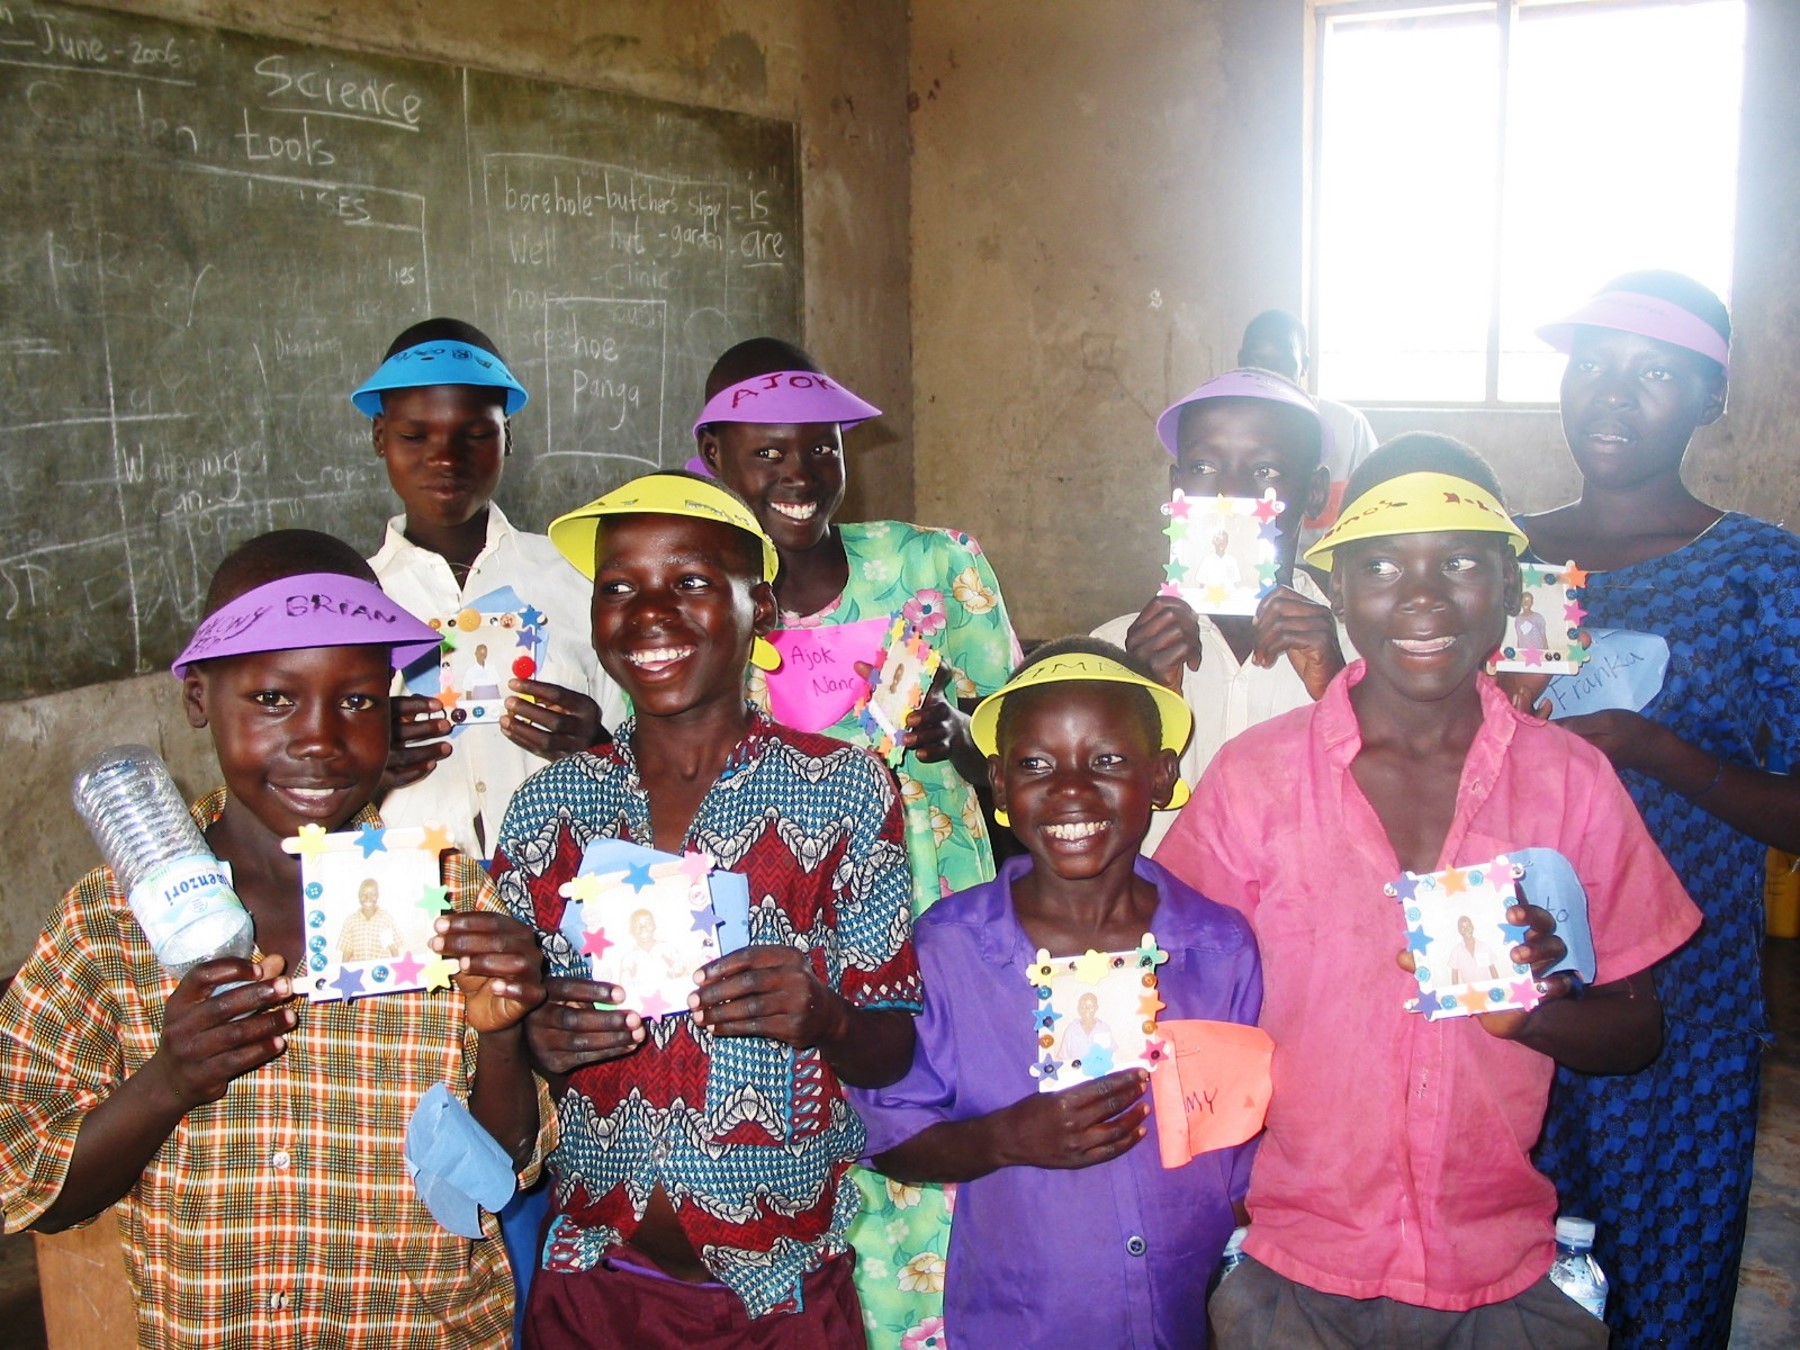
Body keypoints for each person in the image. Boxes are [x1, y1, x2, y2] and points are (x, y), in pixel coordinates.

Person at [1158, 436, 1703, 1346]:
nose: (1420, 596)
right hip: (1292, 1268)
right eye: (1380, 564)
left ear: (1508, 586)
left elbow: (1636, 1032)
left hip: (1497, 1273)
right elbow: (1172, 991)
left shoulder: (1569, 782)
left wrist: (1532, 1013)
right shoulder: (1256, 779)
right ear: (1338, 591)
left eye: (1458, 562)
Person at [0, 530, 553, 1349]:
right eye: (272, 700)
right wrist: (169, 1081)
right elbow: (28, 1184)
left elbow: (507, 1166)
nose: (321, 741)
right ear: (199, 700)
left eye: (359, 700)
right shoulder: (112, 920)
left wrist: (501, 1036)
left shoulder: (447, 894)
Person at [490, 473, 921, 1348]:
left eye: (690, 582)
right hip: (593, 1289)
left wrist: (828, 1018)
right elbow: (504, 1050)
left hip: (780, 1297)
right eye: (619, 587)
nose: (650, 613)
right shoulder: (548, 810)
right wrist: (538, 1038)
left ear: (757, 605)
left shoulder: (842, 790)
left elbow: (892, 1048)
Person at [694, 336, 1018, 1343]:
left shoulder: (933, 565)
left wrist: (964, 744)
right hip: (778, 944)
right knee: (805, 1168)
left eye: (820, 447)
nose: (798, 474)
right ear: (716, 459)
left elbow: (1023, 752)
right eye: (767, 454)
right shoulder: (699, 596)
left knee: (939, 1155)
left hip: (932, 923)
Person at [1519, 271, 1800, 1348]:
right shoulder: (1505, 553)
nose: (1612, 398)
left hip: (1687, 1005)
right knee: (1493, 1283)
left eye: (1653, 376)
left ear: (1709, 401)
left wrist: (1648, 748)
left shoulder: (1759, 574)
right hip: (1507, 980)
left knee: (1661, 1297)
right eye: (1592, 367)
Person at [851, 638, 1260, 1347]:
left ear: (1161, 777)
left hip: (1182, 1318)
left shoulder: (1220, 947)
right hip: (1020, 1324)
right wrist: (1005, 1138)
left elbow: (1244, 1144)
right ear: (1000, 785)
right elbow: (887, 1135)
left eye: (1107, 760)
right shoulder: (948, 949)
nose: (1071, 789)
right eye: (1037, 765)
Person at [356, 317, 628, 861]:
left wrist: (600, 747)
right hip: (412, 905)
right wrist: (364, 768)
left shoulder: (577, 578)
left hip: (569, 889)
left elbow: (655, 755)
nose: (446, 458)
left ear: (508, 436)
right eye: (415, 435)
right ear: (380, 437)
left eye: (476, 435)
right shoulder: (357, 599)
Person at [1093, 367, 1347, 852]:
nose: (1230, 495)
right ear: (1177, 487)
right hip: (1158, 923)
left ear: (1315, 492)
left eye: (1265, 470)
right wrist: (1137, 702)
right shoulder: (1110, 651)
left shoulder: (1360, 656)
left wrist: (1339, 692)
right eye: (1204, 468)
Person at [1237, 308, 1379, 549]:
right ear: (1241, 362)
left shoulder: (1347, 426)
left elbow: (1376, 513)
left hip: (1329, 576)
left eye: (1283, 364)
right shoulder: (1220, 432)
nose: (1270, 376)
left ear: (1304, 365)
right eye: (1258, 362)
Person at [337, 876, 403, 961]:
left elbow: (393, 948)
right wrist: (344, 970)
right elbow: (347, 950)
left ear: (378, 895)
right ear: (358, 895)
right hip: (359, 971)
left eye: (372, 895)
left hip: (380, 970)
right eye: (364, 894)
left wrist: (397, 969)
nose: (368, 898)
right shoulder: (351, 921)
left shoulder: (385, 920)